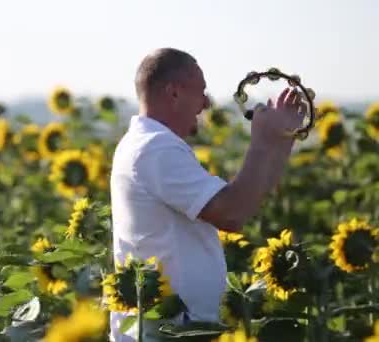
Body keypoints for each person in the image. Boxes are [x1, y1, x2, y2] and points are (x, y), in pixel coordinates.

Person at [109, 48, 304, 341]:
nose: (205, 103)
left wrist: (280, 140)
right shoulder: (154, 148)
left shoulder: (148, 144)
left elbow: (246, 200)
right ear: (174, 93)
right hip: (164, 333)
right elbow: (231, 213)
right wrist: (262, 140)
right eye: (200, 92)